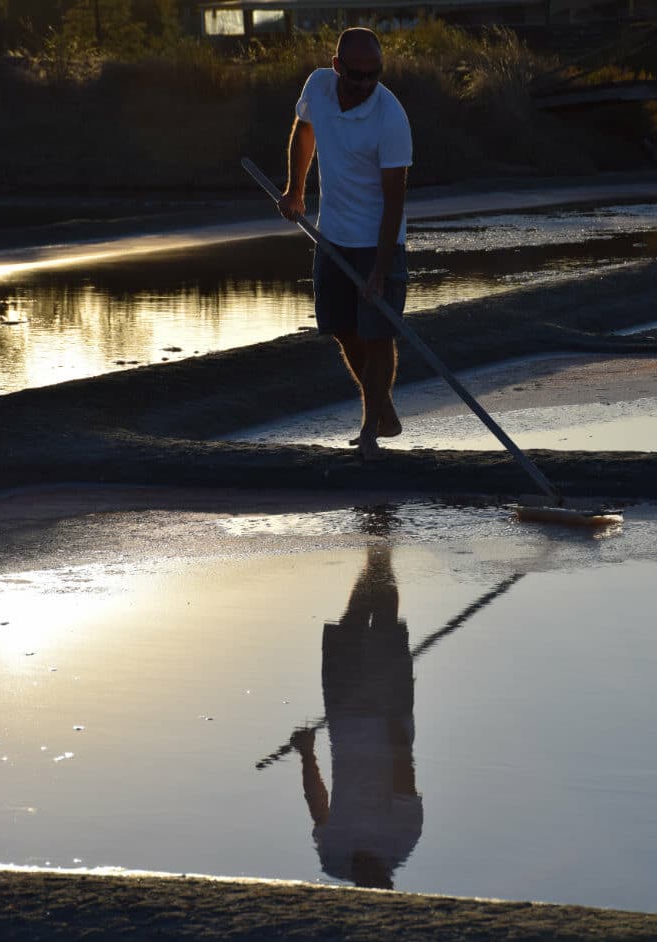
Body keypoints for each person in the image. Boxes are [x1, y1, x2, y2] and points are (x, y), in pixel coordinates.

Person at [277, 28, 413, 461]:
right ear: (338, 67)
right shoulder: (318, 85)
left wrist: (380, 268)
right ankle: (385, 410)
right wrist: (295, 188)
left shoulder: (390, 118)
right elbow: (304, 128)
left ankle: (371, 429)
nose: (365, 84)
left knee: (378, 335)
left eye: (374, 74)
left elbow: (395, 200)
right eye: (356, 75)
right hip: (332, 233)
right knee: (342, 327)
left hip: (378, 241)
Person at [290, 545, 423, 889]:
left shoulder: (334, 859)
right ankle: (381, 553)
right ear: (387, 882)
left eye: (366, 884)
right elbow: (403, 773)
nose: (368, 876)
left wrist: (307, 753)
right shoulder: (402, 841)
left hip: (345, 715)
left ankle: (376, 553)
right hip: (388, 713)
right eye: (378, 881)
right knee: (385, 622)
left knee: (351, 623)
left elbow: (318, 806)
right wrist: (392, 718)